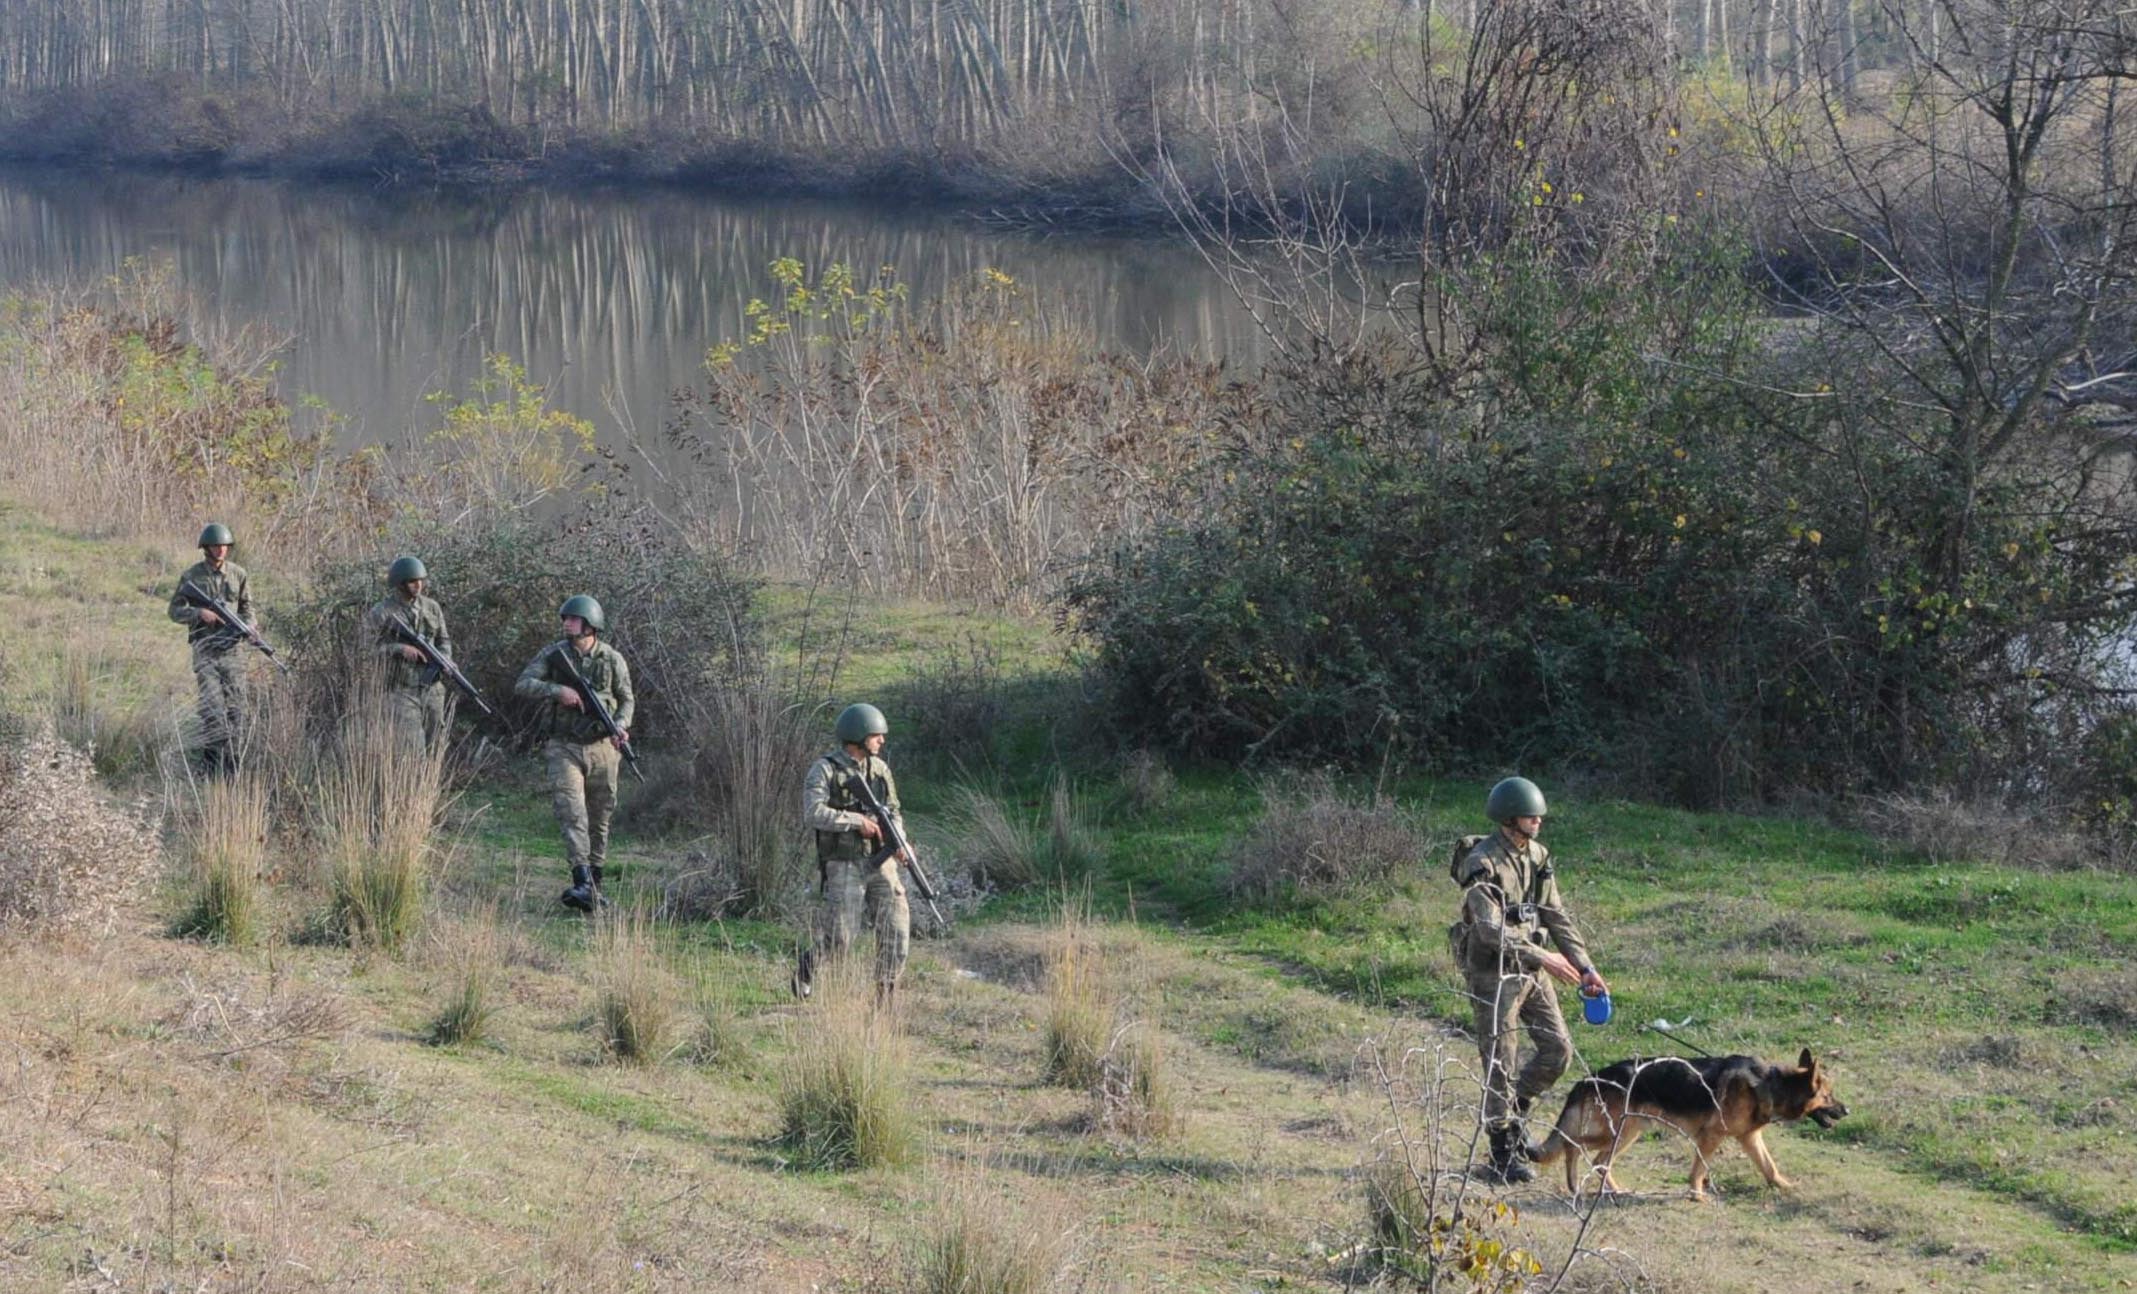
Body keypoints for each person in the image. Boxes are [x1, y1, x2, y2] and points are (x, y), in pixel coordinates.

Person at [1449, 776, 1610, 1184]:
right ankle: (1501, 1153)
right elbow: (1490, 930)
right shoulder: (1482, 863)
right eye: (1529, 815)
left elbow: (1555, 915)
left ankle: (1515, 1113)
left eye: (1538, 815)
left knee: (1558, 1050)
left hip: (1532, 970)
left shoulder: (1538, 856)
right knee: (1500, 1062)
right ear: (1509, 819)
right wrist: (1546, 958)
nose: (1538, 820)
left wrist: (1585, 966)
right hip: (1494, 974)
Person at [514, 595, 634, 913]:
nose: (567, 623)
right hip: (563, 745)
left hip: (603, 748)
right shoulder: (554, 655)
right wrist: (557, 691)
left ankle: (594, 885)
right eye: (565, 618)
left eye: (573, 619)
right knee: (572, 811)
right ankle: (581, 879)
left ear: (590, 624)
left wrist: (621, 725)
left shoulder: (612, 659)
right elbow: (523, 683)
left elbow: (626, 699)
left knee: (600, 816)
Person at [793, 702, 911, 1007]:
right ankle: (808, 966)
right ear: (858, 736)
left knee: (897, 928)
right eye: (876, 735)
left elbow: (894, 811)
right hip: (844, 863)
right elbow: (813, 812)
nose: (882, 740)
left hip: (881, 861)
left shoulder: (880, 770)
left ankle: (886, 998)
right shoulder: (825, 769)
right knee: (841, 937)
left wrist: (899, 840)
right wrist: (857, 821)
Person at [166, 522, 253, 775]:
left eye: (224, 545)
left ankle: (233, 764)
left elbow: (248, 608)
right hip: (206, 651)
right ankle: (211, 764)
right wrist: (198, 613)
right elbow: (174, 610)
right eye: (216, 545)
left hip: (233, 652)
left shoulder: (238, 574)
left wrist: (250, 626)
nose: (221, 549)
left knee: (237, 709)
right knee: (212, 709)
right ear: (206, 547)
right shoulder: (192, 576)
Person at [364, 555, 453, 752]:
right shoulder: (382, 612)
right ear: (400, 583)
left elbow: (443, 640)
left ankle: (432, 774)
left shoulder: (431, 607)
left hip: (432, 689)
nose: (418, 585)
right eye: (412, 581)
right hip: (401, 689)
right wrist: (399, 649)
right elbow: (366, 650)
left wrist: (445, 660)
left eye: (420, 580)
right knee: (412, 748)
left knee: (436, 744)